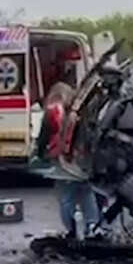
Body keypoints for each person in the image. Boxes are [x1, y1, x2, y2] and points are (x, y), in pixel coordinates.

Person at [34, 82, 100, 236]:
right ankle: (92, 226)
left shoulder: (52, 112)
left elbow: (44, 137)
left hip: (62, 159)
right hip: (81, 158)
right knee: (86, 193)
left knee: (66, 197)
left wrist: (39, 154)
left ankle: (71, 230)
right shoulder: (81, 112)